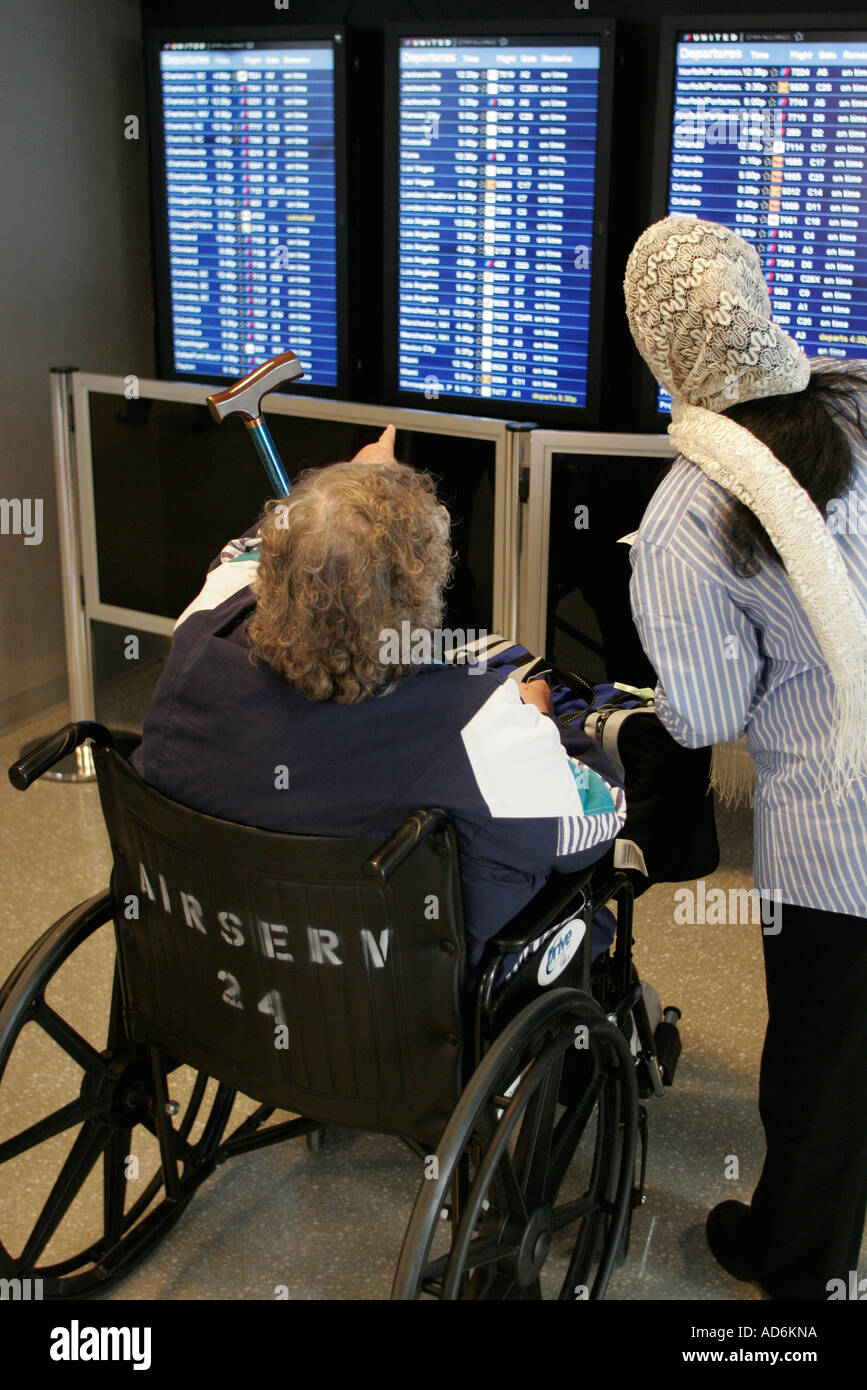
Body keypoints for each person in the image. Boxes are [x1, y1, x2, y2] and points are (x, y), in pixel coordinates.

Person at [131, 426, 626, 979]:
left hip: (218, 974)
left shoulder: (198, 632)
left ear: (273, 572)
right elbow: (598, 817)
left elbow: (240, 556)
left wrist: (338, 502)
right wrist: (542, 725)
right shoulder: (482, 731)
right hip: (393, 1022)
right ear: (424, 593)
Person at [623, 215, 867, 1300]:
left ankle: (796, 1261)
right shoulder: (855, 404)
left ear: (657, 350)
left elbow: (705, 708)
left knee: (822, 1060)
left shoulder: (687, 515)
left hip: (841, 832)